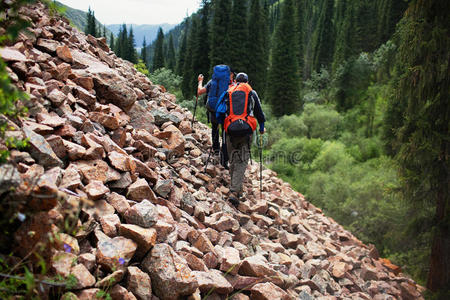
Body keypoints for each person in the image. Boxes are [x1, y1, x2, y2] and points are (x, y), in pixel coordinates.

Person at [216, 72, 266, 207]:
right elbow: (259, 113)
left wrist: (223, 126)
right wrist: (261, 128)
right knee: (242, 160)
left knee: (233, 159)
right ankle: (234, 191)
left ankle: (235, 187)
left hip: (230, 131)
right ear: (247, 82)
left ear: (236, 81)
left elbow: (219, 112)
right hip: (247, 131)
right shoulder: (251, 93)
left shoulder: (228, 92)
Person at [197, 66, 236, 167]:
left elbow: (199, 92)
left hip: (213, 109)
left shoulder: (212, 82)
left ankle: (216, 150)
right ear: (230, 74)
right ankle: (224, 158)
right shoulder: (232, 84)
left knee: (214, 128)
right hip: (225, 112)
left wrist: (200, 81)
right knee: (225, 133)